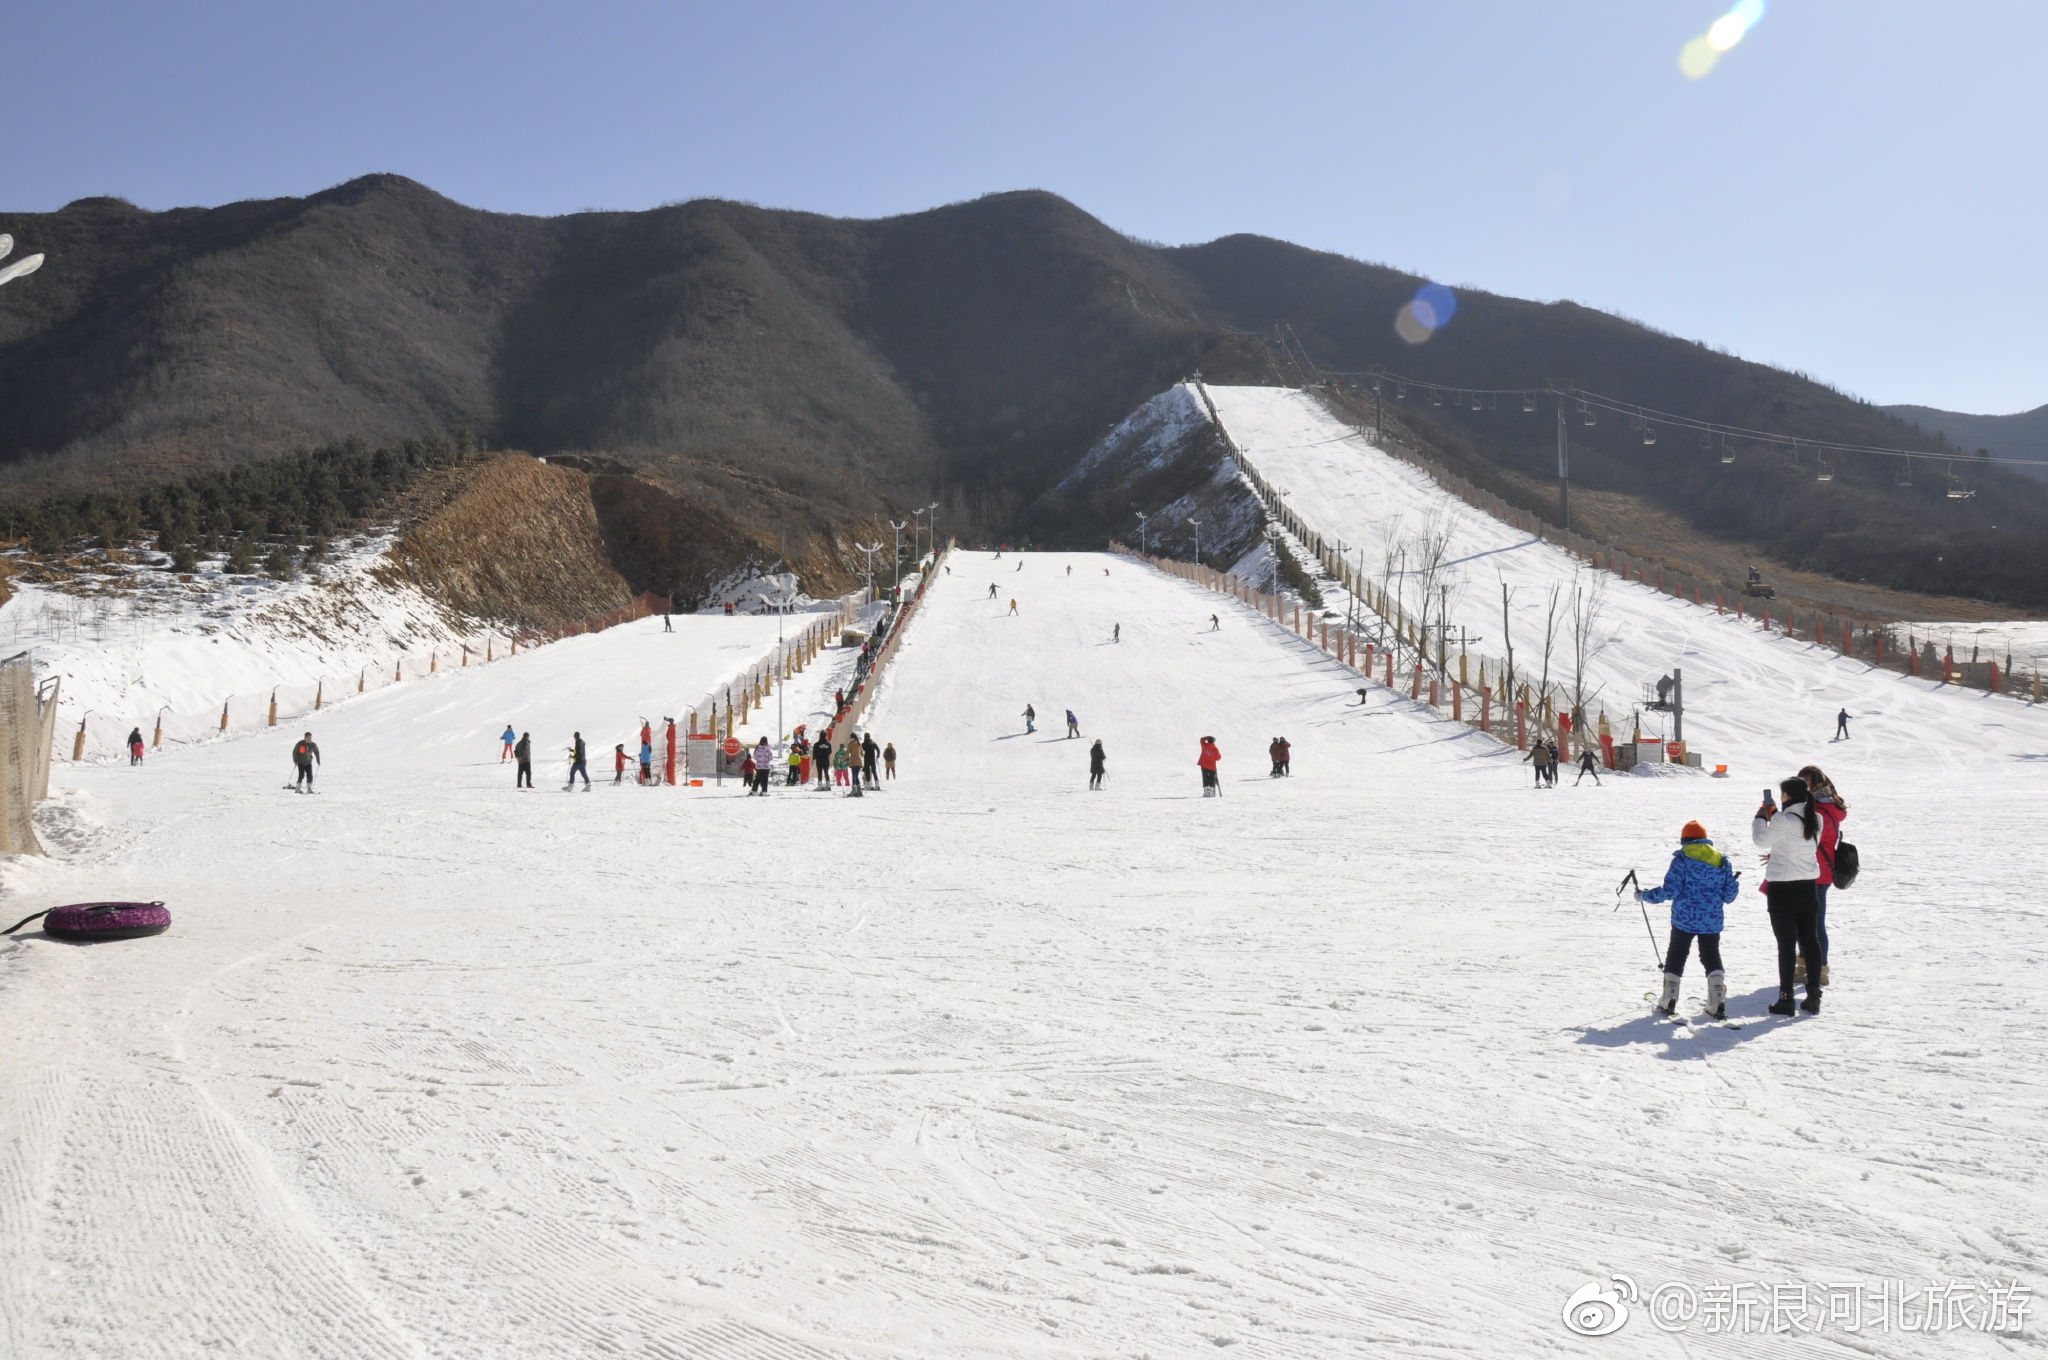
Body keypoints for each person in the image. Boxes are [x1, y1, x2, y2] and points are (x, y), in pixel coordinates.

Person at [1636, 819, 1741, 1019]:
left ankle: (1669, 1000)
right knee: (1711, 956)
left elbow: (1670, 890)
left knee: (1677, 955)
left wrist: (1645, 895)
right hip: (1711, 920)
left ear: (1685, 840)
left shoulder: (1682, 860)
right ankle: (1717, 1000)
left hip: (1684, 919)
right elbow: (1729, 896)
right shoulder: (1722, 860)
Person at [1753, 776, 1825, 1015]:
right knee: (1810, 941)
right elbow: (1797, 840)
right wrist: (1775, 816)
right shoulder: (1817, 818)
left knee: (1786, 944)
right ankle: (1814, 996)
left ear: (1786, 796)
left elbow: (1761, 841)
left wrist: (1761, 817)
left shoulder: (1783, 820)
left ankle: (1786, 999)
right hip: (1808, 886)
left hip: (1782, 888)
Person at [1797, 765, 1848, 987]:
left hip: (1815, 872)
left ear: (1817, 784)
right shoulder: (1818, 807)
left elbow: (1807, 841)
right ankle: (1804, 967)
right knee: (1802, 923)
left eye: (1806, 784)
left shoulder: (1820, 810)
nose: (1803, 788)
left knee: (1815, 925)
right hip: (1811, 870)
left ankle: (1820, 970)